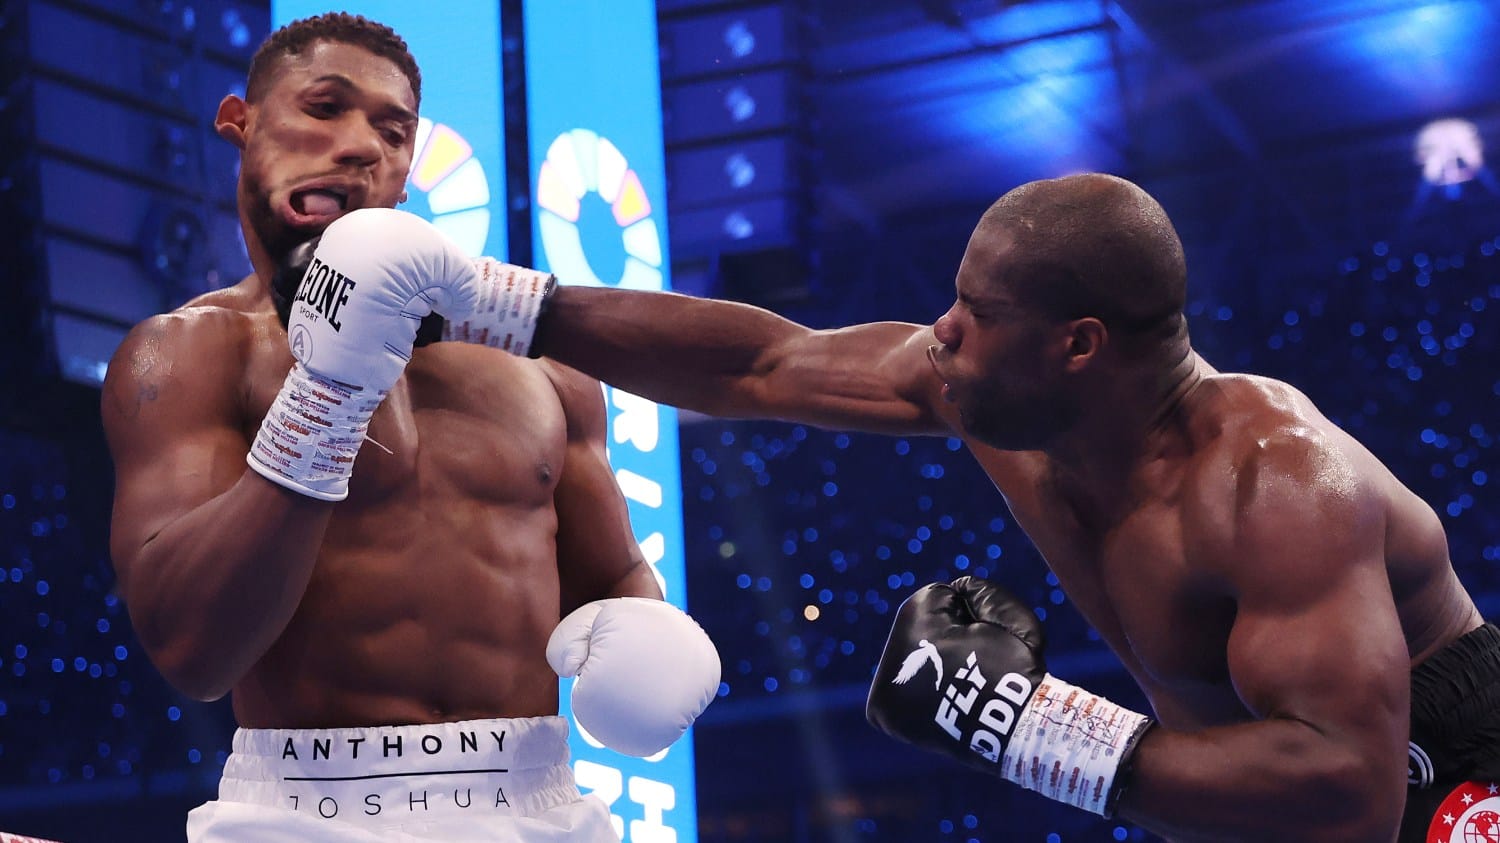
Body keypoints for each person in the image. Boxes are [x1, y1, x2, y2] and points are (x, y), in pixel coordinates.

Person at [476, 172, 1499, 841]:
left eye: (980, 313)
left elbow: (1349, 791)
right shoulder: (984, 397)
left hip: (1448, 770)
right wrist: (508, 308)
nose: (943, 330)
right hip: (1245, 799)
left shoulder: (1272, 484)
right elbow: (762, 362)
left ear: (1079, 343)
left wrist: (1030, 728)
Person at [100, 13, 719, 842]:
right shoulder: (189, 355)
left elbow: (613, 578)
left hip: (541, 803)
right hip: (302, 812)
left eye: (392, 131)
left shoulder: (540, 364)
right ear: (239, 122)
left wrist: (651, 635)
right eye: (325, 108)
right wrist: (327, 398)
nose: (361, 145)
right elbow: (192, 650)